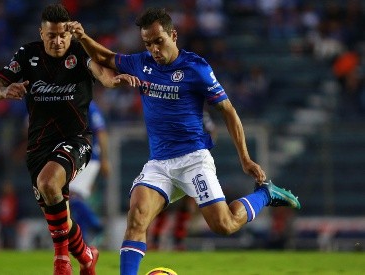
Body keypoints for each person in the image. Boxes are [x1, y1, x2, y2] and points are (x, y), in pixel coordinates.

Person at [67, 7, 301, 275]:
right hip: (159, 163)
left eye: (158, 41)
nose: (154, 49)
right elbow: (104, 57)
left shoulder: (196, 68)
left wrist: (245, 158)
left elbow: (228, 112)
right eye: (148, 43)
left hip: (193, 159)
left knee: (223, 225)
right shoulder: (141, 63)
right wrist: (83, 37)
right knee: (137, 217)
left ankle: (266, 194)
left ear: (173, 35)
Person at [0, 4, 139, 275]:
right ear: (41, 34)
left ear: (70, 34)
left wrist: (116, 81)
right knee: (60, 217)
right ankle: (87, 255)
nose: (57, 41)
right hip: (38, 147)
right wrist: (6, 89)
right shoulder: (27, 55)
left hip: (75, 139)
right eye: (51, 35)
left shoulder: (79, 53)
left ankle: (61, 261)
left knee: (49, 182)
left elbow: (102, 74)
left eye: (62, 35)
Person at [149, 110, 217, 251]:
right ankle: (155, 238)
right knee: (163, 200)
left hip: (191, 163)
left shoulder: (201, 114)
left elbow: (212, 131)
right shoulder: (169, 108)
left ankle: (178, 240)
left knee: (186, 203)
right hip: (169, 160)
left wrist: (204, 151)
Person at [69, 101, 109, 244]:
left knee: (72, 196)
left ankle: (95, 224)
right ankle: (82, 240)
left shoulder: (89, 106)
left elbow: (101, 132)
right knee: (74, 199)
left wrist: (105, 159)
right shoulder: (68, 101)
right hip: (75, 157)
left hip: (91, 157)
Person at [0, 180, 19, 249]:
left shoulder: (14, 199)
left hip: (11, 223)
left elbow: (17, 210)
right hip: (3, 223)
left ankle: (12, 251)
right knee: (3, 240)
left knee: (11, 239)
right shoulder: (1, 198)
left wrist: (15, 219)